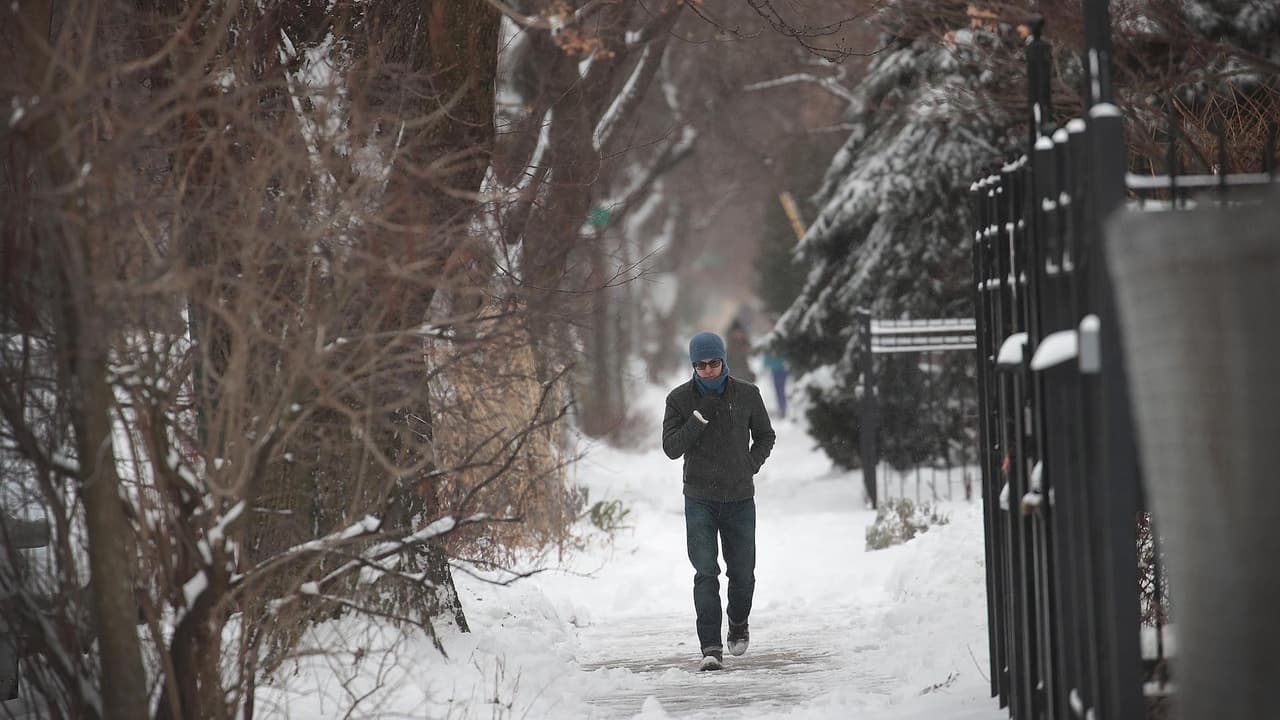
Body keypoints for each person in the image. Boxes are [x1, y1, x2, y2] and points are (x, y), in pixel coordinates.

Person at [661, 331, 776, 671]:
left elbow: (766, 435)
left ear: (724, 361)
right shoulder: (679, 400)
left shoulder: (747, 394)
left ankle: (738, 622)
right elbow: (671, 448)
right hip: (699, 498)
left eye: (714, 363)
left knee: (743, 573)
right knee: (706, 572)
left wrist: (750, 464)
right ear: (693, 366)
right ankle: (710, 647)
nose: (708, 370)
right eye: (701, 365)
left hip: (740, 498)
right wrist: (698, 418)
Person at [761, 351, 788, 419]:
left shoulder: (773, 346)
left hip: (780, 371)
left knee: (780, 391)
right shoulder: (773, 347)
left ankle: (782, 409)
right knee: (779, 391)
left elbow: (766, 361)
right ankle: (781, 408)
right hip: (777, 371)